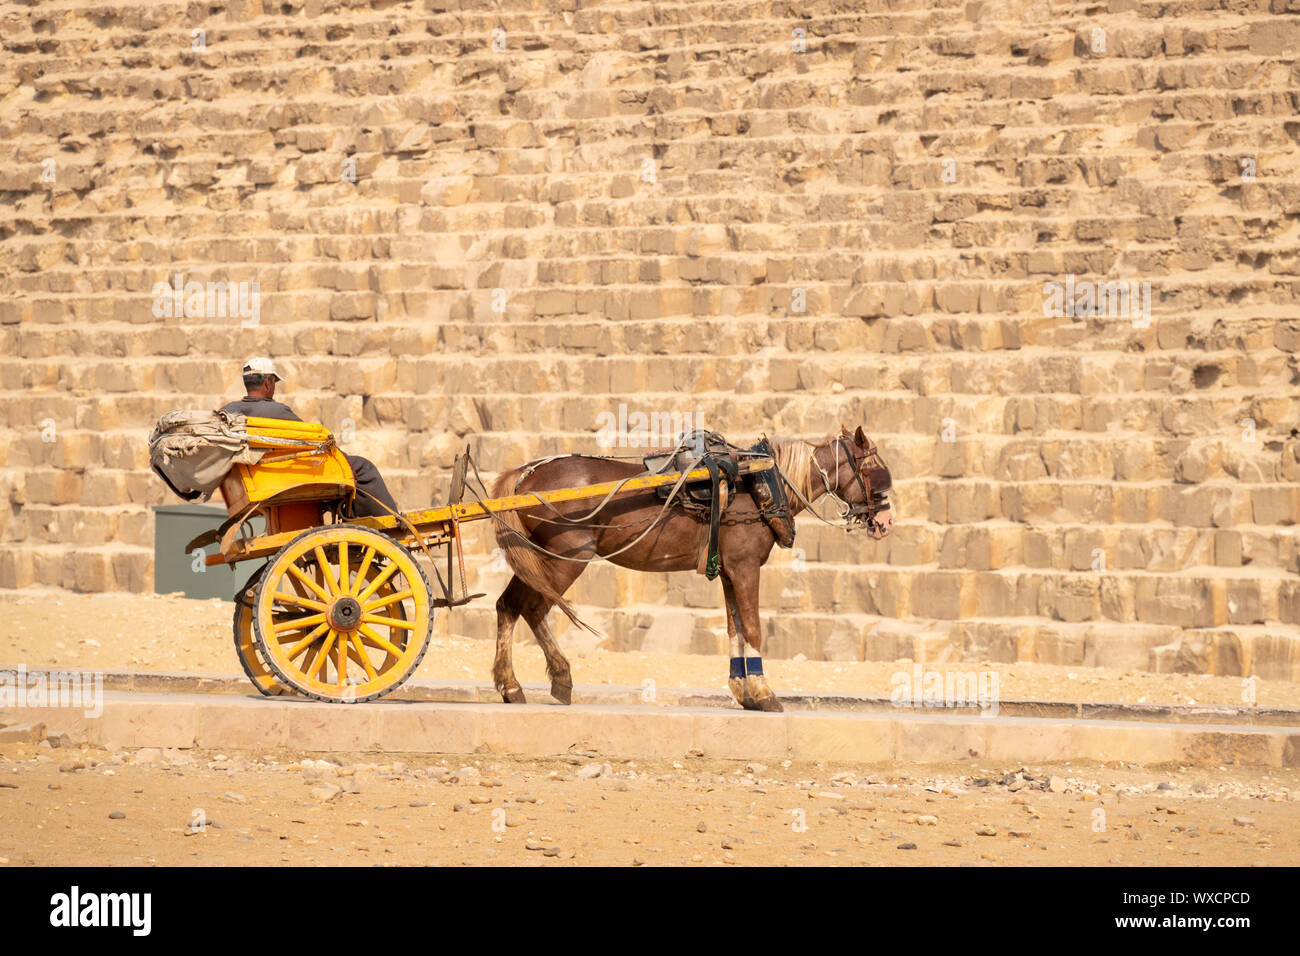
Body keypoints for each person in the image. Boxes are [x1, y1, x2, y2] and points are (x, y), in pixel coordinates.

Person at [220, 357, 399, 519]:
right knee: (362, 467)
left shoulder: (228, 411)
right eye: (274, 382)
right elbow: (309, 439)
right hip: (285, 474)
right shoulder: (276, 411)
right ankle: (388, 519)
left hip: (253, 476)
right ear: (267, 383)